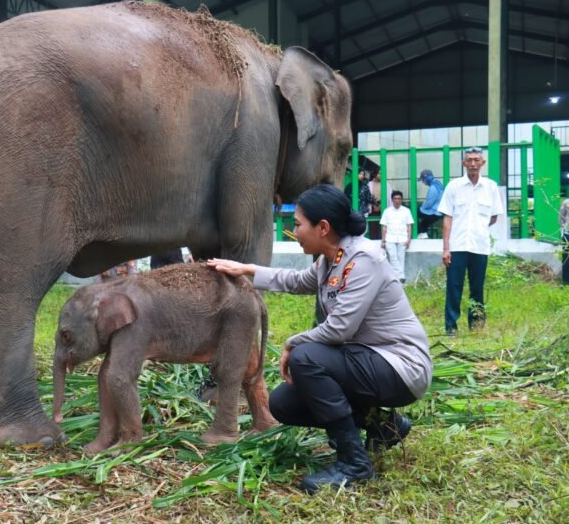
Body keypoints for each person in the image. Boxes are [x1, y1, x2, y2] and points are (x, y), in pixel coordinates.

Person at [206, 184, 432, 494]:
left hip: (400, 367)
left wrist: (291, 343)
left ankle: (354, 465)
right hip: (368, 361)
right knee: (283, 403)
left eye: (298, 224)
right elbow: (297, 281)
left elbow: (339, 329)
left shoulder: (363, 260)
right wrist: (247, 270)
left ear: (322, 227)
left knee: (306, 358)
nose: (293, 230)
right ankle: (384, 426)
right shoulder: (331, 259)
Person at [438, 147, 504, 335]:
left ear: (482, 163)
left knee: (477, 288)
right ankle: (451, 328)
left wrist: (478, 228)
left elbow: (493, 217)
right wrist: (446, 248)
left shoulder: (490, 187)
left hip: (479, 247)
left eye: (477, 160)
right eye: (469, 160)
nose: (473, 163)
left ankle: (476, 326)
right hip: (457, 247)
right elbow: (447, 218)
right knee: (454, 288)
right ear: (463, 163)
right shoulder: (454, 186)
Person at [380, 191, 413, 283]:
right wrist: (383, 241)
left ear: (401, 200)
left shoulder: (406, 211)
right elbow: (384, 227)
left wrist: (409, 239)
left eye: (399, 199)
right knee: (393, 257)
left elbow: (409, 226)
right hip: (390, 238)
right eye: (395, 199)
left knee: (401, 257)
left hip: (403, 237)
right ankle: (401, 276)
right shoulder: (387, 211)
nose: (397, 201)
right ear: (392, 200)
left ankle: (398, 278)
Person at [417, 169, 444, 238]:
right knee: (424, 223)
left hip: (433, 211)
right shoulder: (438, 184)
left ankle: (419, 232)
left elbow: (429, 203)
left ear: (426, 178)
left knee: (414, 212)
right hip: (439, 211)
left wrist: (422, 207)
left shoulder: (433, 188)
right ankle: (423, 233)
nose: (423, 182)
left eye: (423, 180)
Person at [560, 198, 569, 285]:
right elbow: (561, 218)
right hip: (567, 235)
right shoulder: (566, 202)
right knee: (566, 258)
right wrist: (564, 228)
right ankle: (566, 281)